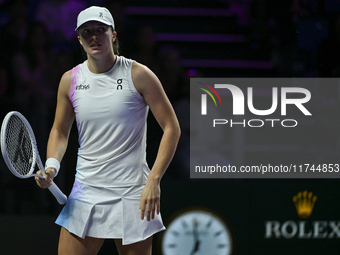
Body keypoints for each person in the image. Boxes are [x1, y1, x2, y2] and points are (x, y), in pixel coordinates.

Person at [35, 6, 180, 255]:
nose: (94, 36)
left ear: (113, 35)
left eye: (101, 30)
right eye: (87, 31)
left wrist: (154, 180)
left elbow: (171, 128)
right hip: (86, 191)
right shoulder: (70, 80)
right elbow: (59, 130)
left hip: (133, 193)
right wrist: (51, 166)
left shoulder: (139, 75)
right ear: (78, 39)